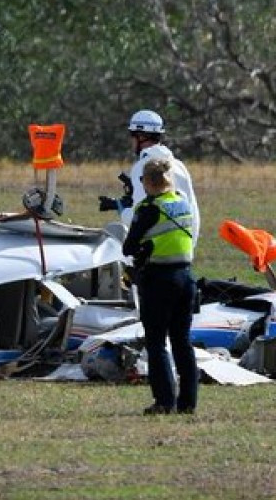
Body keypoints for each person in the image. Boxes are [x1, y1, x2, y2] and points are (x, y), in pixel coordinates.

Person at [122, 157, 199, 415]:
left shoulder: (149, 208)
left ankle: (165, 401)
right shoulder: (182, 202)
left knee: (156, 343)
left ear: (147, 182)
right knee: (182, 342)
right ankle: (188, 403)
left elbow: (128, 247)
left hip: (159, 280)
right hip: (185, 278)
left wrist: (144, 248)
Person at [99, 109, 200, 247]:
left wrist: (121, 209)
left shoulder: (143, 167)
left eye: (132, 135)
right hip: (186, 247)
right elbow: (192, 211)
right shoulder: (179, 165)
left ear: (141, 137)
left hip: (159, 252)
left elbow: (138, 218)